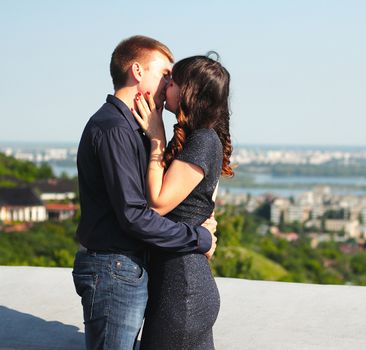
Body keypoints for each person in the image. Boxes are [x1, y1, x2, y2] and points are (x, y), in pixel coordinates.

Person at [72, 36, 218, 350]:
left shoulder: (132, 128)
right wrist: (198, 237)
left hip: (125, 266)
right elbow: (135, 216)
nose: (169, 84)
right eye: (165, 74)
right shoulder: (114, 129)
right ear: (137, 71)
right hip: (113, 267)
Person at [130, 54, 232, 349]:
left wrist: (156, 139)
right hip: (179, 287)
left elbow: (159, 203)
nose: (166, 86)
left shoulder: (203, 140)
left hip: (183, 292)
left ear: (190, 92)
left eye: (172, 81)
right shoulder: (195, 139)